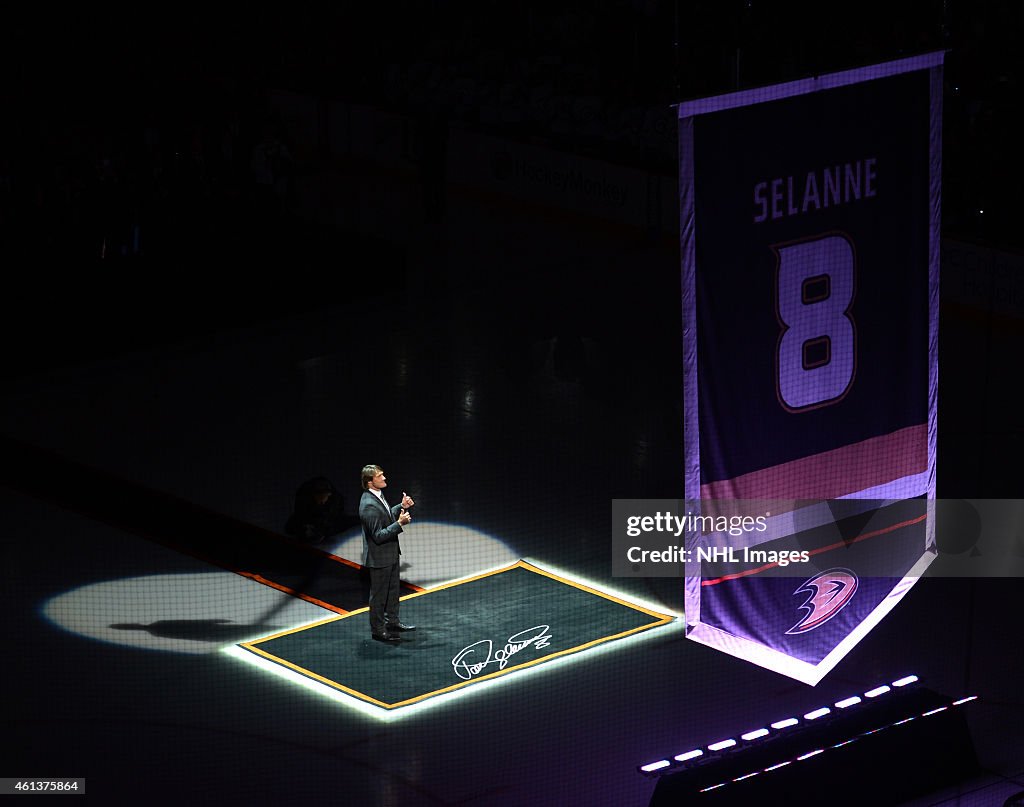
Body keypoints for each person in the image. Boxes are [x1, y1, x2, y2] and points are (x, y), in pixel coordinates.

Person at [359, 464, 416, 643]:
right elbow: (378, 535)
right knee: (378, 596)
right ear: (370, 482)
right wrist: (399, 524)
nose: (384, 478)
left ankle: (392, 622)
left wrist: (401, 506)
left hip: (390, 553)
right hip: (380, 558)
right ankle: (378, 630)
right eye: (380, 476)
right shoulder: (368, 505)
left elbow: (384, 516)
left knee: (392, 591)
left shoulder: (377, 495)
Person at [284, 476, 355, 545]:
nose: (321, 501)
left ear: (329, 495)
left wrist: (324, 528)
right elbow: (299, 515)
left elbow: (336, 517)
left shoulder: (335, 501)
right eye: (319, 498)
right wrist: (307, 527)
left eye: (323, 498)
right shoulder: (303, 499)